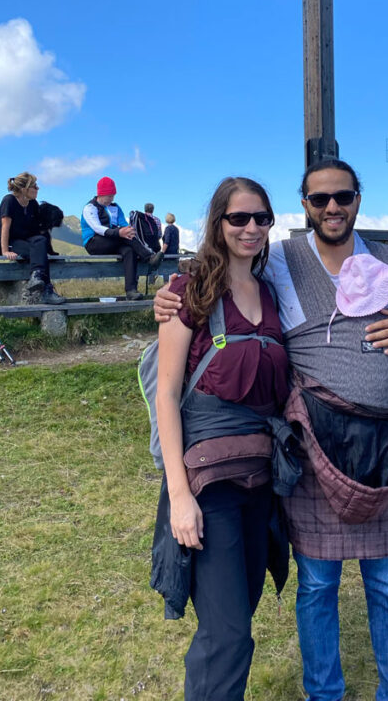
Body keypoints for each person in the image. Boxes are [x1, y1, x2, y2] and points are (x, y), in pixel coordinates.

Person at [156, 158, 388, 701]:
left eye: (343, 197)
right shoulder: (281, 263)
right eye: (319, 199)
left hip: (387, 449)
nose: (332, 207)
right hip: (304, 452)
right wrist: (170, 297)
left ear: (358, 198)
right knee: (314, 586)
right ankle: (323, 695)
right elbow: (182, 356)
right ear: (305, 205)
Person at [154, 176, 293, 701]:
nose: (252, 228)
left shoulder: (274, 293)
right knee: (228, 632)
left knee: (243, 608)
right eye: (239, 218)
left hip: (262, 478)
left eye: (262, 218)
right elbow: (167, 395)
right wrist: (180, 497)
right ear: (218, 224)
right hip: (210, 482)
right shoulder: (186, 293)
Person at [81, 176, 162, 301]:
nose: (112, 198)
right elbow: (97, 228)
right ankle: (149, 257)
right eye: (109, 196)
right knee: (123, 236)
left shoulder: (116, 207)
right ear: (101, 194)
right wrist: (119, 233)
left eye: (113, 195)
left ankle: (131, 290)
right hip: (94, 242)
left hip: (114, 241)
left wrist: (128, 231)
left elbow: (123, 224)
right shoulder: (90, 208)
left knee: (129, 251)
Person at [0, 172, 65, 305]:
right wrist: (4, 251)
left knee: (40, 242)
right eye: (34, 186)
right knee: (39, 253)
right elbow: (5, 227)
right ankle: (47, 290)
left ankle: (37, 276)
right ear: (24, 189)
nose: (37, 189)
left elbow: (37, 228)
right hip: (6, 242)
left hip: (24, 241)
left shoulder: (32, 204)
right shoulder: (9, 201)